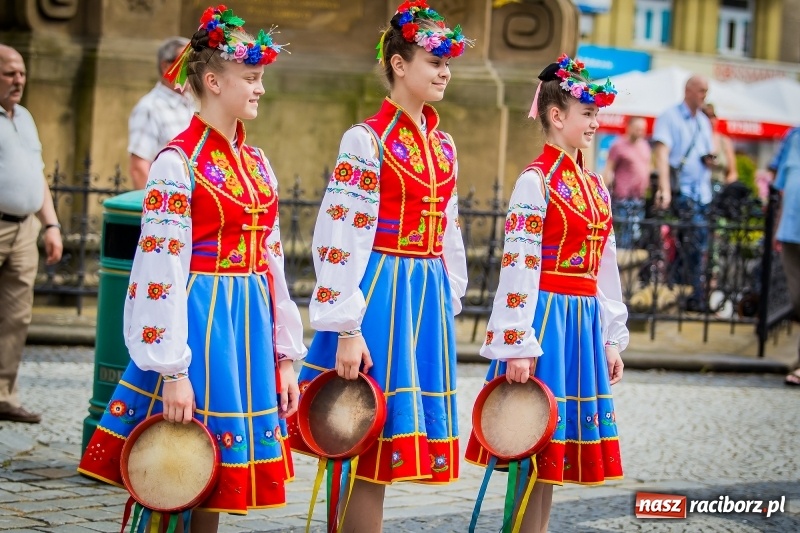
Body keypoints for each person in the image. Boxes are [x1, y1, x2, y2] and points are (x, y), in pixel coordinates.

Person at [77, 6, 306, 528]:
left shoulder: (256, 162)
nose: (260, 89)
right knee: (180, 469)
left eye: (261, 78)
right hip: (199, 324)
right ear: (211, 81)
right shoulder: (176, 164)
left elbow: (271, 260)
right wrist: (173, 369)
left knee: (218, 478)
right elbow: (159, 269)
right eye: (251, 78)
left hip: (245, 323)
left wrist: (285, 355)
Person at [287, 1, 469, 529]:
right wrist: (346, 325)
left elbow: (449, 226)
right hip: (381, 295)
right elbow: (339, 234)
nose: (444, 72)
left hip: (422, 296)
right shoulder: (366, 140)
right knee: (363, 435)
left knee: (387, 451)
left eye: (447, 62)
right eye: (434, 61)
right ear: (398, 65)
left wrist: (446, 292)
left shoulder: (444, 144)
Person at [464, 54, 629, 533]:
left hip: (579, 324)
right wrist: (517, 342)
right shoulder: (535, 182)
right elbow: (518, 264)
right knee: (529, 447)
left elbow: (605, 266)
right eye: (587, 113)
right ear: (557, 116)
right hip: (545, 323)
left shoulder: (595, 186)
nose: (596, 123)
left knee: (552, 459)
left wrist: (610, 336)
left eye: (597, 113)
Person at [0, 44, 63, 424]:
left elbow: (37, 175)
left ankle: (3, 395)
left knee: (16, 315)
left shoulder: (23, 117)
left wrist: (51, 224)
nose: (19, 80)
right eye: (9, 73)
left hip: (25, 228)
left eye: (22, 72)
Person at [652, 75, 715, 311]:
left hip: (702, 193)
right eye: (701, 91)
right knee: (692, 243)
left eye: (706, 92)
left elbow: (708, 150)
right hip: (683, 192)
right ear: (688, 90)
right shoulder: (670, 117)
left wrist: (710, 160)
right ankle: (693, 295)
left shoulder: (703, 122)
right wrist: (664, 189)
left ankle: (685, 292)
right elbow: (662, 154)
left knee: (694, 245)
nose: (704, 96)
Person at [128, 36, 195, 189]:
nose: (193, 70)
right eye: (187, 63)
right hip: (167, 205)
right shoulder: (149, 108)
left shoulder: (193, 104)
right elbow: (139, 168)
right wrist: (154, 209)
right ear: (166, 67)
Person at [769, 126, 800, 385]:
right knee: (797, 299)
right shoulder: (793, 137)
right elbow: (781, 188)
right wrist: (777, 228)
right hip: (791, 231)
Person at [603, 116, 651, 249]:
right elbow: (608, 169)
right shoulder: (618, 145)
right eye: (637, 129)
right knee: (623, 235)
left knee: (635, 234)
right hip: (623, 198)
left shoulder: (645, 145)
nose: (640, 132)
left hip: (639, 198)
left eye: (642, 129)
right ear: (629, 128)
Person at [701, 103, 738, 191]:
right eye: (707, 116)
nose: (711, 120)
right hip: (701, 188)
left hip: (720, 188)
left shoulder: (724, 141)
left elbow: (733, 173)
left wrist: (726, 189)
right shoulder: (697, 140)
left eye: (713, 116)